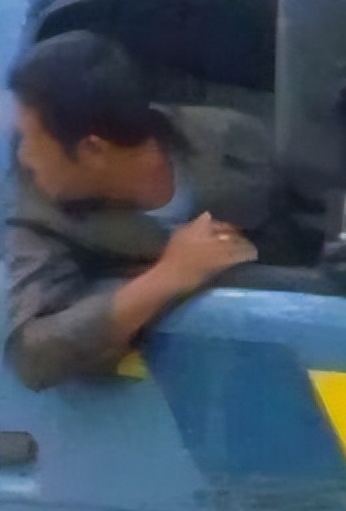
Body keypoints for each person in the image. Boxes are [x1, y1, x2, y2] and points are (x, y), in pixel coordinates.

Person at [5, 31, 319, 391]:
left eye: (31, 140)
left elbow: (321, 259)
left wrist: (230, 265)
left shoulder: (236, 143)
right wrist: (167, 276)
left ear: (93, 149)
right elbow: (33, 356)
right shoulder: (38, 210)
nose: (22, 157)